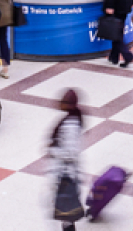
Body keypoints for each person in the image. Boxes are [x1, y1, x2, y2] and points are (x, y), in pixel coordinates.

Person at [48, 90, 85, 231]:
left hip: (66, 175)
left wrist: (53, 151)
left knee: (67, 214)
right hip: (67, 173)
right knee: (67, 213)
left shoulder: (70, 125)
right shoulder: (72, 120)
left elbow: (71, 153)